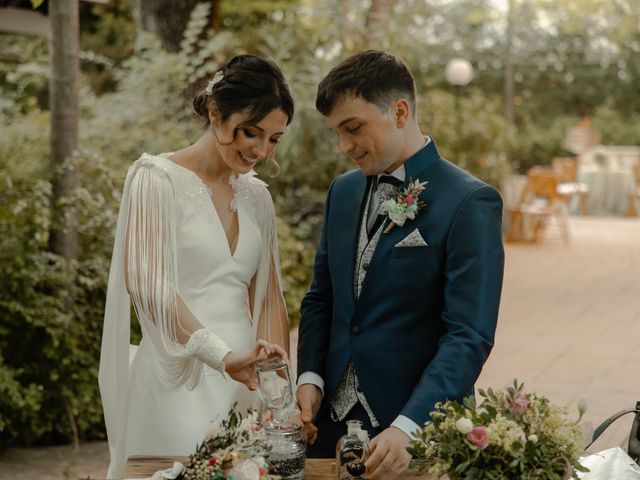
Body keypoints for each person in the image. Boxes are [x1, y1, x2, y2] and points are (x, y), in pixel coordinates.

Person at [296, 50, 504, 479]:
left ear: (400, 111)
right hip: (329, 428)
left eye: (353, 128)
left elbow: (469, 335)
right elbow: (322, 297)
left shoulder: (470, 201)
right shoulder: (343, 191)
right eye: (336, 132)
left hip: (414, 432)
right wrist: (310, 378)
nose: (344, 147)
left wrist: (409, 426)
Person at [99, 55, 294, 479]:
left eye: (274, 139)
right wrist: (221, 356)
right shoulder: (154, 178)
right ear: (214, 114)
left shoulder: (258, 197)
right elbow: (148, 284)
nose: (261, 151)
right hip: (179, 378)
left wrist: (279, 390)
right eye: (250, 132)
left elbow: (269, 299)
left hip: (246, 387)